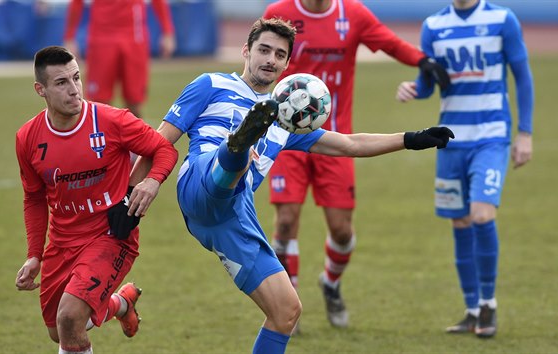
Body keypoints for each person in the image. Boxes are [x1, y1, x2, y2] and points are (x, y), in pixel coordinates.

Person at [127, 18, 453, 353]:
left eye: (279, 54)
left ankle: (240, 148)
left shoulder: (287, 120)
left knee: (286, 311)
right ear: (246, 51)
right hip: (199, 181)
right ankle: (236, 147)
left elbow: (350, 144)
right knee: (234, 159)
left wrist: (412, 139)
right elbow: (157, 143)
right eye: (264, 50)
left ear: (286, 64)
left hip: (232, 217)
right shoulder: (210, 84)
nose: (270, 58)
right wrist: (130, 201)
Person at [262, 0, 451, 331]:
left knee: (342, 230)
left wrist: (423, 61)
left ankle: (331, 283)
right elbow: (258, 57)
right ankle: (288, 303)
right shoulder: (280, 12)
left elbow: (389, 43)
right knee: (287, 221)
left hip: (336, 142)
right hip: (286, 138)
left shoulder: (353, 14)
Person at [14, 46, 178, 354]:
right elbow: (34, 197)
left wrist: (152, 182)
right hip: (62, 243)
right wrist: (34, 255)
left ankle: (109, 303)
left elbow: (165, 149)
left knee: (69, 318)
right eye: (62, 83)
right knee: (58, 331)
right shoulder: (28, 138)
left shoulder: (112, 121)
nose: (75, 89)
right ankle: (120, 303)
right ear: (41, 89)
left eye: (76, 78)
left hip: (111, 236)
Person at [395, 0, 534, 338]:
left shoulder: (503, 19)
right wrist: (414, 88)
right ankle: (471, 310)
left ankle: (488, 303)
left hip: (491, 137)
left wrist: (525, 133)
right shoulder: (434, 26)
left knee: (482, 216)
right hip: (451, 140)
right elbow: (430, 82)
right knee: (459, 221)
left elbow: (522, 76)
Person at [63, 0, 176, 118]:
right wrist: (69, 37)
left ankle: (135, 135)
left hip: (134, 37)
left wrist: (168, 31)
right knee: (99, 103)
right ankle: (103, 136)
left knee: (134, 101)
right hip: (102, 38)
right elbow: (77, 3)